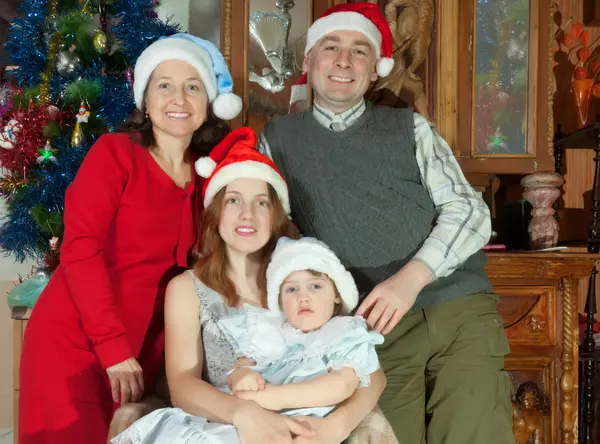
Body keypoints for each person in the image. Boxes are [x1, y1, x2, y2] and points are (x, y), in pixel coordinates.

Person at [259, 3, 514, 443]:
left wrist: (410, 280)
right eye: (331, 47)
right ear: (308, 61)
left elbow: (470, 212)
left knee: (477, 432)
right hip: (371, 327)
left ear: (374, 69)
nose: (343, 61)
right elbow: (267, 232)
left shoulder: (409, 128)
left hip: (457, 307)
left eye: (359, 51)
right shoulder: (277, 140)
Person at [18, 33, 242, 444]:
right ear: (145, 98)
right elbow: (80, 251)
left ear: (208, 103)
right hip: (79, 345)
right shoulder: (115, 153)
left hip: (151, 357)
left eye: (193, 87)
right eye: (165, 86)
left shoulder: (210, 175)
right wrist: (113, 348)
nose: (179, 98)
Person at [112, 126, 387, 444]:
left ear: (275, 215)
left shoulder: (300, 278)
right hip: (228, 426)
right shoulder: (188, 289)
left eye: (261, 203)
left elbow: (370, 371)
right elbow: (183, 383)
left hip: (309, 428)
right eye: (234, 201)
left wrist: (337, 426)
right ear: (216, 213)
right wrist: (244, 413)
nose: (247, 215)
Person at [112, 236, 385, 444]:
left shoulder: (344, 332)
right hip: (249, 421)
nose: (304, 296)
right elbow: (244, 367)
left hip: (305, 425)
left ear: (337, 293)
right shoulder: (277, 332)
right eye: (292, 289)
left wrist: (272, 397)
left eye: (315, 286)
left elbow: (341, 385)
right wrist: (240, 377)